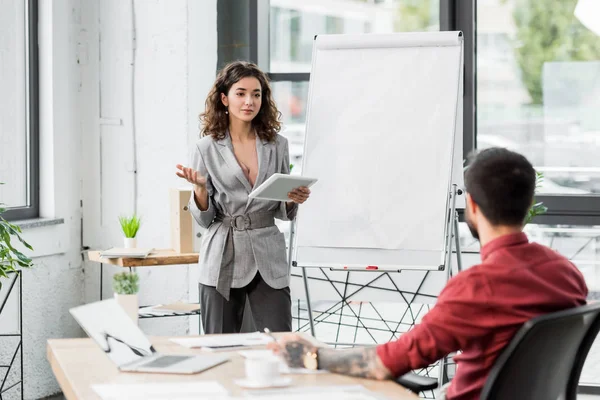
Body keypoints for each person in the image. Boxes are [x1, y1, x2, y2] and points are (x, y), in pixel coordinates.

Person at [269, 148, 588, 400]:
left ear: (472, 205)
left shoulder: (478, 286)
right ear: (529, 201)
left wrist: (311, 356)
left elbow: (391, 362)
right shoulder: (566, 273)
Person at [176, 61, 310, 334]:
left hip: (268, 257)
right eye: (241, 93)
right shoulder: (205, 149)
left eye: (256, 94)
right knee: (220, 346)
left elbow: (281, 211)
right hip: (222, 255)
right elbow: (205, 220)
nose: (249, 101)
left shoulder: (278, 145)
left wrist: (292, 198)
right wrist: (200, 190)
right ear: (224, 98)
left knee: (279, 343)